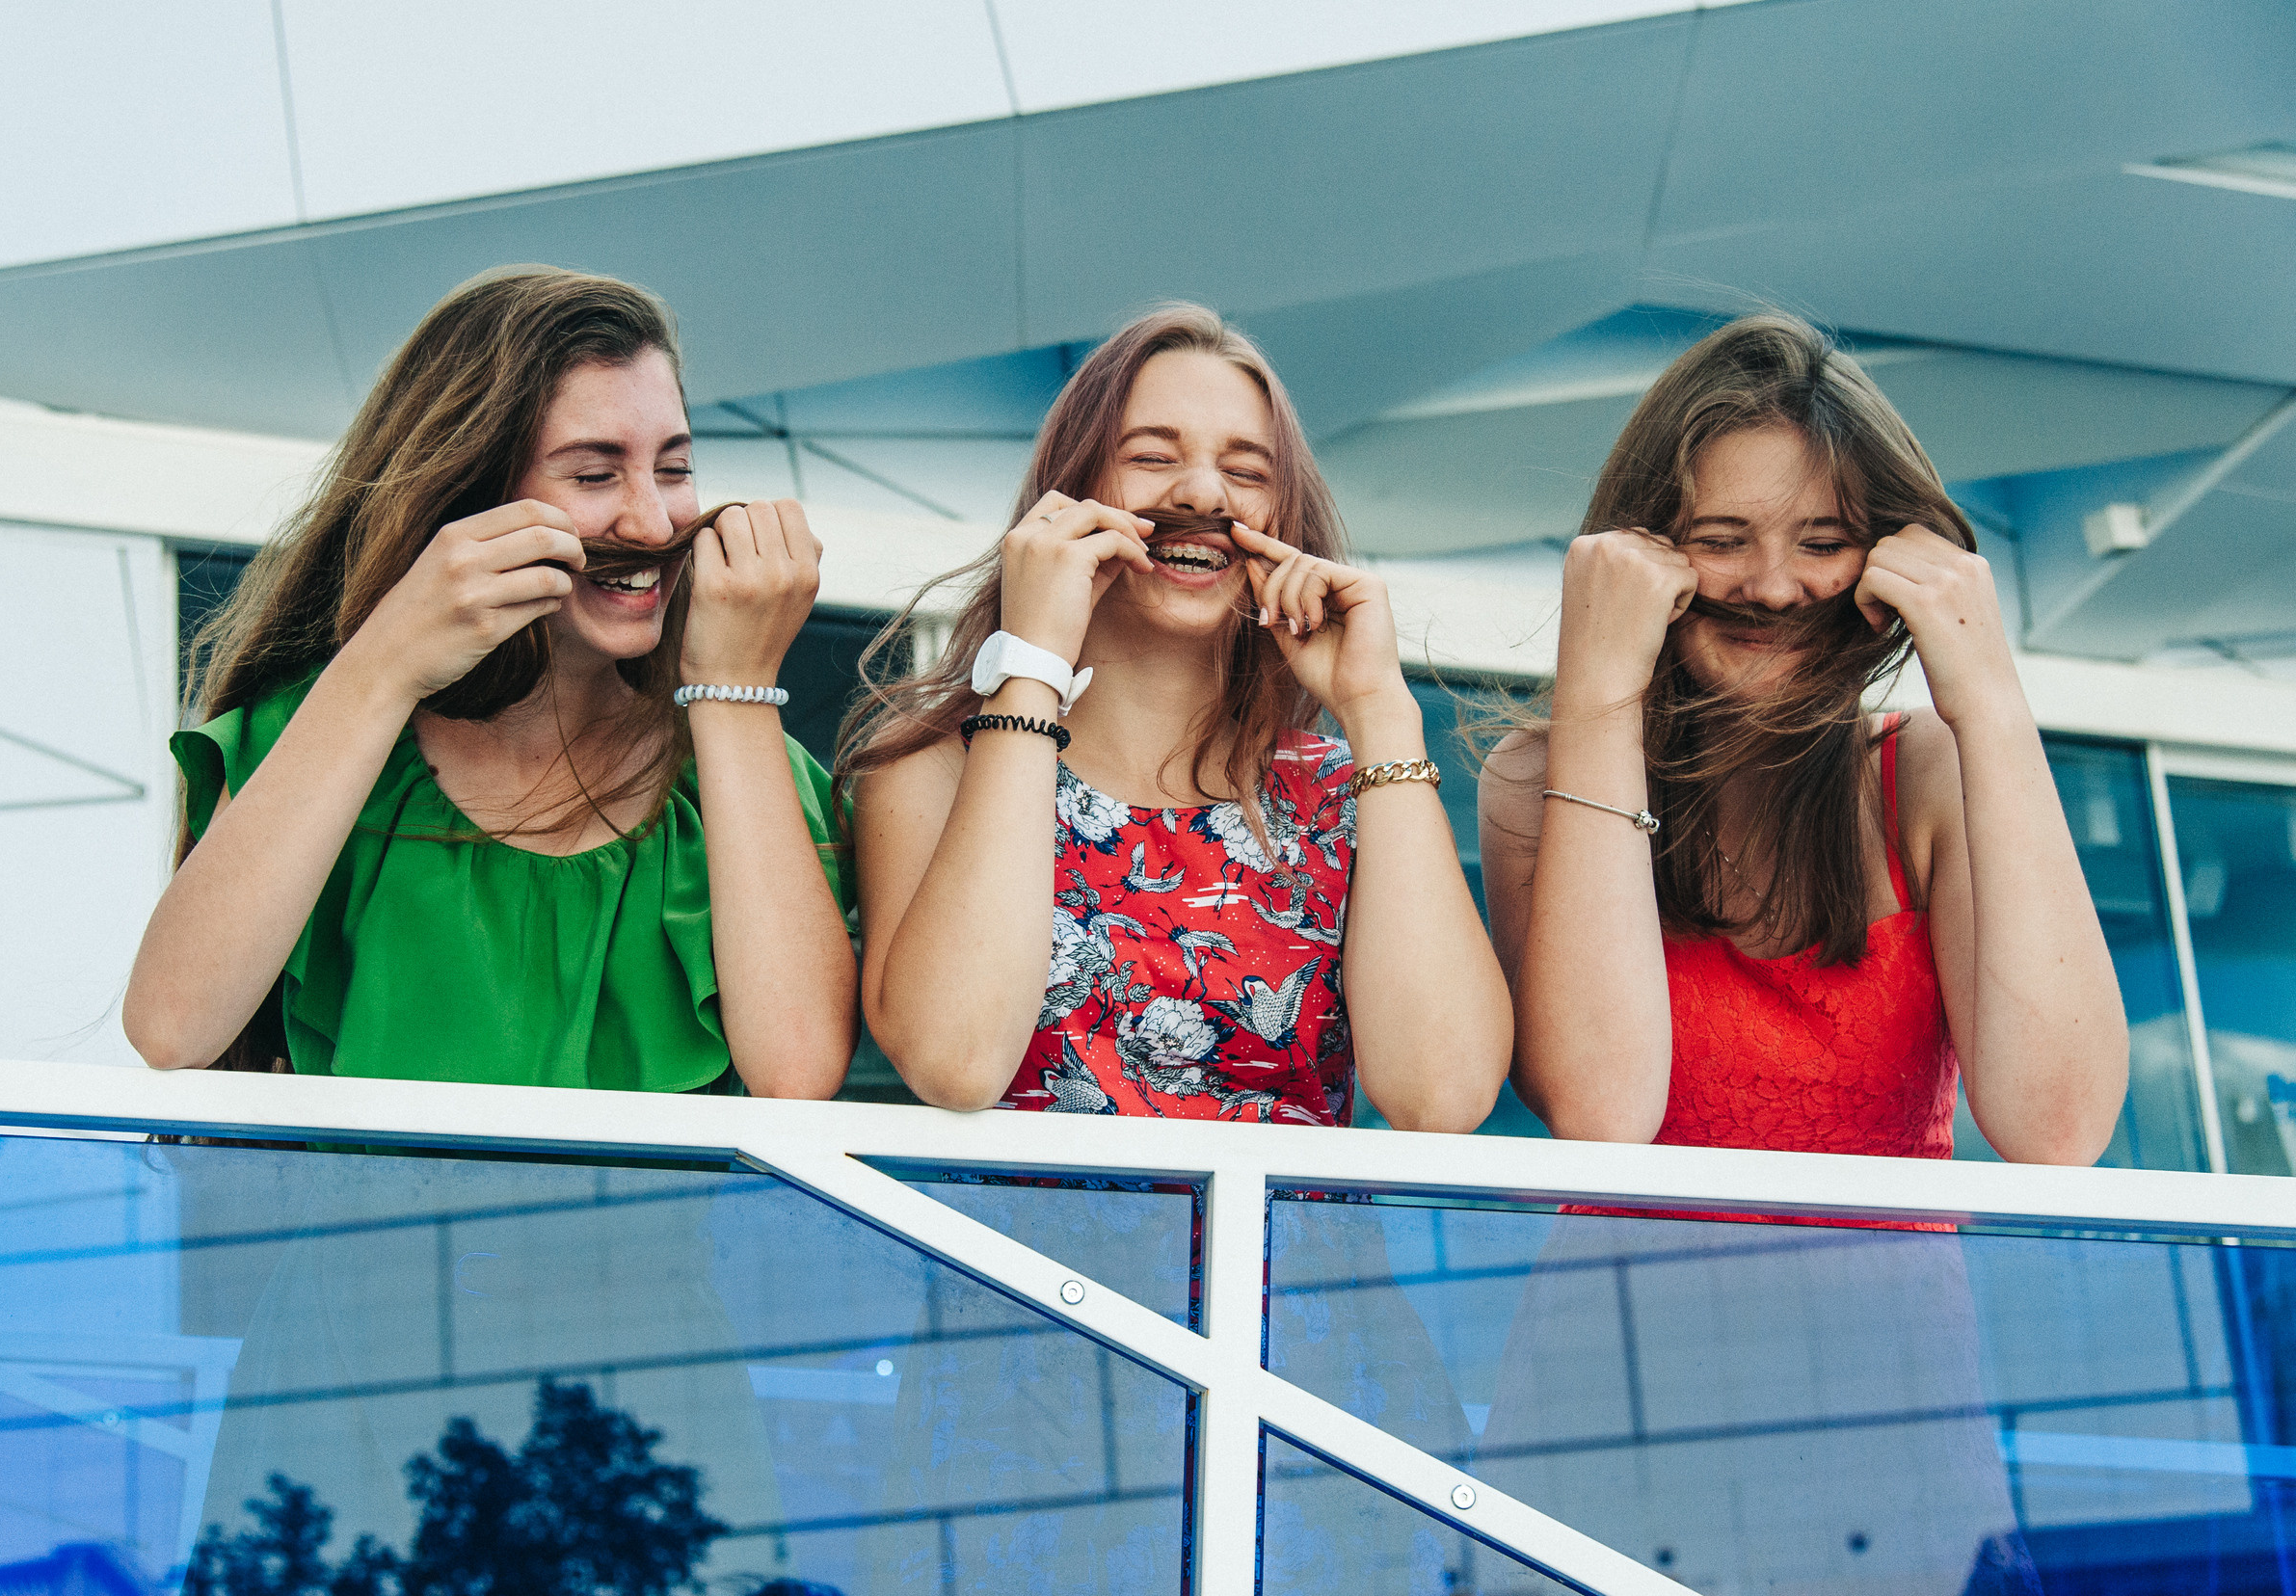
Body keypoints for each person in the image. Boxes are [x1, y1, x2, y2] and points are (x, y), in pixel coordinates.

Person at [123, 266, 854, 1096]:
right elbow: (172, 1027)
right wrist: (386, 660)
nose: (653, 522)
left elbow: (798, 1076)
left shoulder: (750, 765)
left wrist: (730, 687)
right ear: (464, 490)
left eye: (675, 468)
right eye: (593, 474)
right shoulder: (306, 732)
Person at [842, 304, 1511, 1129]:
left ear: (1284, 522)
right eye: (1153, 457)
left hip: (1292, 1262)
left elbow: (1444, 1097)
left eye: (1248, 472)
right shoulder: (931, 772)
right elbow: (956, 1061)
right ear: (1070, 493)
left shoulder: (1341, 792)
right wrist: (1032, 662)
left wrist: (1380, 711)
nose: (1201, 492)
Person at [1480, 310, 2127, 1163]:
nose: (1774, 587)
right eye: (1721, 541)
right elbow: (1600, 1111)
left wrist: (1989, 699)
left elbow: (2059, 1129)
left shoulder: (1922, 771)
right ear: (1637, 551)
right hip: (1623, 1293)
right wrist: (1601, 692)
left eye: (1822, 542)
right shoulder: (1534, 778)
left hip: (1893, 1298)